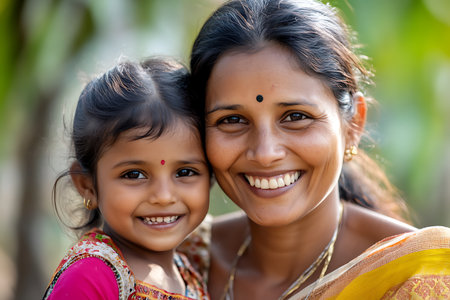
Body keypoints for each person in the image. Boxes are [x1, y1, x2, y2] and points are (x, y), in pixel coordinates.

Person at [184, 0, 450, 299]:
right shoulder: (182, 258)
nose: (265, 152)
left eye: (296, 117)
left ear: (354, 124)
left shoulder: (413, 276)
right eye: (232, 120)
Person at [43, 58, 210, 299]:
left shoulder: (190, 273)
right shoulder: (90, 277)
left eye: (185, 172)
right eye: (134, 175)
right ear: (87, 186)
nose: (163, 196)